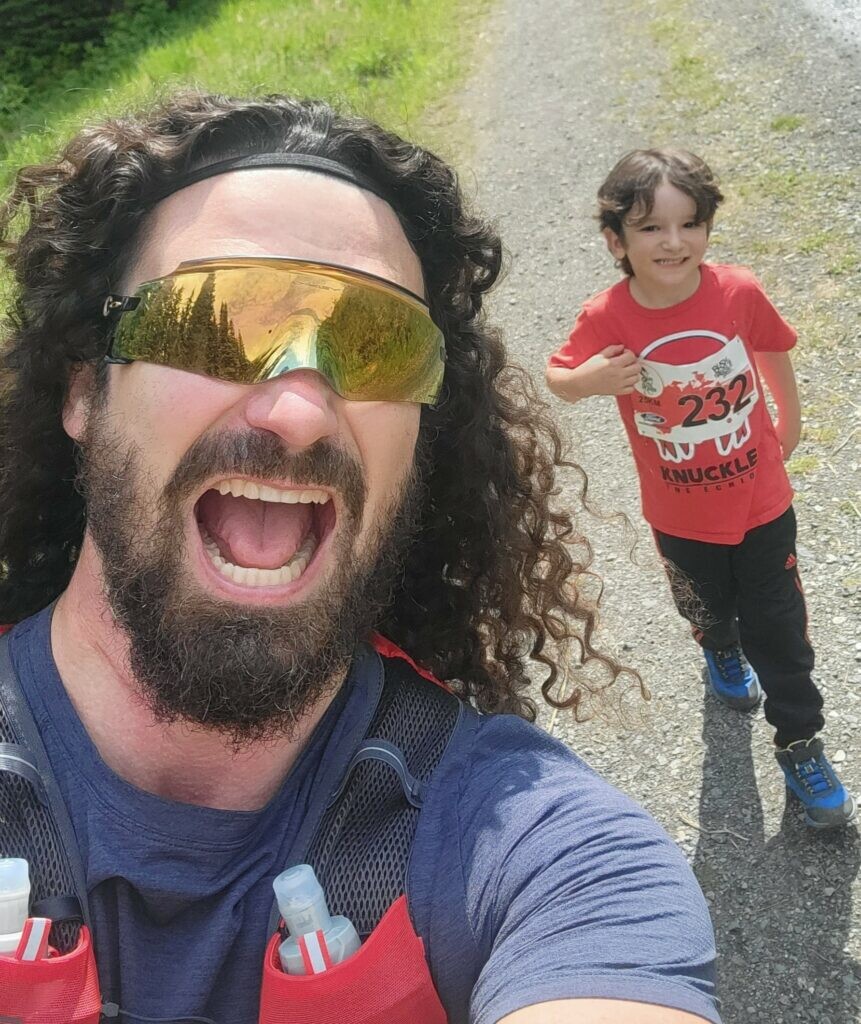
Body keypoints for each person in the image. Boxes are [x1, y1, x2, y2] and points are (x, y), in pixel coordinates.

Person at [0, 95, 720, 1024]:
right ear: (83, 391)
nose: (300, 413)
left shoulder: (544, 854)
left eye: (381, 345)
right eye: (212, 321)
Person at [546, 147, 855, 831]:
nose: (674, 241)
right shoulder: (608, 316)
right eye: (651, 227)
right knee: (705, 606)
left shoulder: (735, 292)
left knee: (779, 629)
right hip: (679, 513)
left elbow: (772, 346)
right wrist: (589, 380)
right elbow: (558, 377)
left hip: (761, 502)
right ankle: (718, 647)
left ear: (707, 227)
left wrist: (788, 421)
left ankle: (800, 742)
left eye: (690, 223)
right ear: (616, 241)